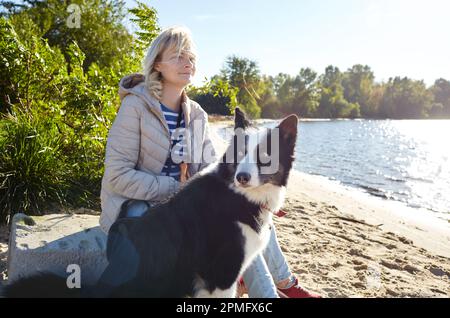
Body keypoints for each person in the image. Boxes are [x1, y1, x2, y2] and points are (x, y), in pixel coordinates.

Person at [99, 25, 320, 298]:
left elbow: (212, 171)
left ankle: (274, 287)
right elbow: (117, 176)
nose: (187, 62)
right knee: (240, 232)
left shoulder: (198, 115)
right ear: (157, 63)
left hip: (186, 210)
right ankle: (274, 285)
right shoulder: (135, 107)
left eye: (190, 57)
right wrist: (175, 188)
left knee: (254, 216)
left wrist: (256, 195)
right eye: (178, 56)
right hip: (137, 210)